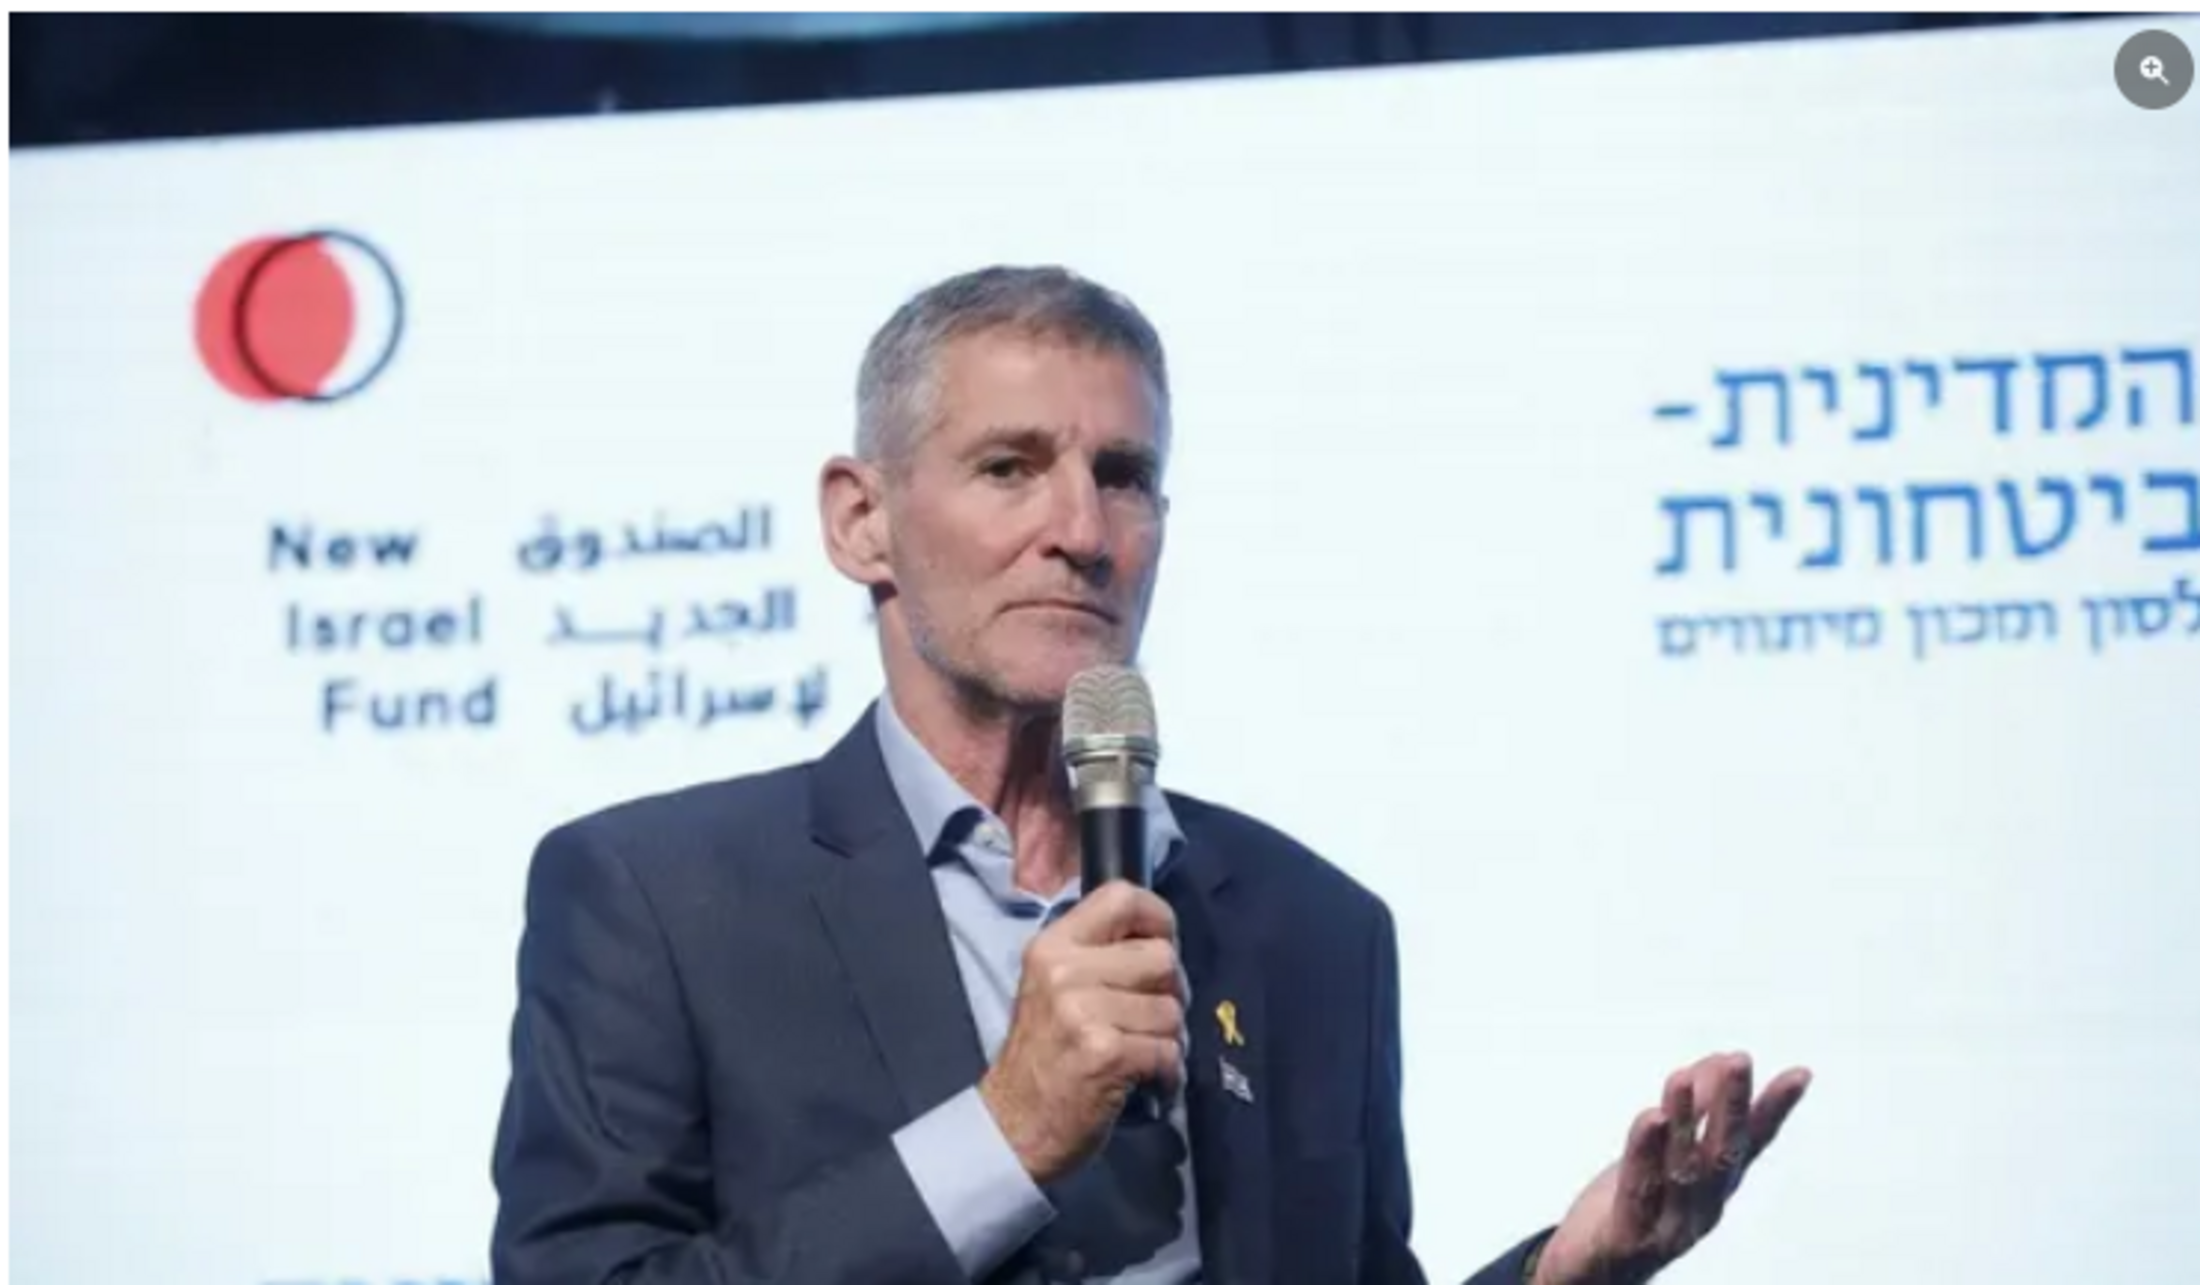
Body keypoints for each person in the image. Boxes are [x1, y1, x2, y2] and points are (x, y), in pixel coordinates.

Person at [489, 266, 1812, 1285]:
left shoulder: (1314, 928)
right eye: (1009, 468)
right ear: (862, 520)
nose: (1081, 530)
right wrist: (1005, 1133)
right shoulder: (659, 900)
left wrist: (1566, 1274)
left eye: (1123, 478)